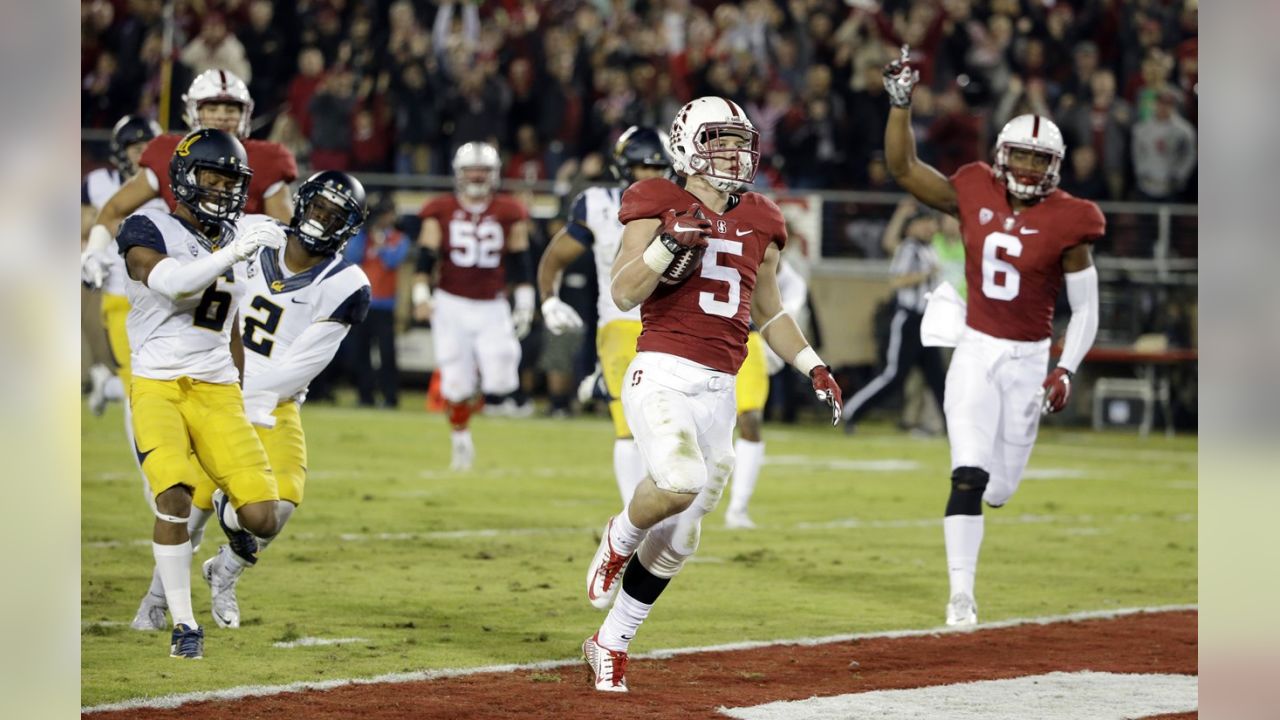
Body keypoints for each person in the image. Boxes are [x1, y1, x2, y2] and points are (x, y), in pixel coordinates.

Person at [581, 97, 844, 693]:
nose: (733, 153)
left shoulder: (763, 216)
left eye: (738, 141)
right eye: (719, 141)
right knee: (677, 480)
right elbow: (623, 292)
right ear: (685, 146)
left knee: (684, 537)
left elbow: (769, 312)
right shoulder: (654, 199)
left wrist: (813, 365)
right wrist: (666, 245)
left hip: (720, 386)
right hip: (663, 370)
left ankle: (611, 643)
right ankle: (619, 537)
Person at [882, 46, 1103, 626]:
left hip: (1029, 360)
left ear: (1053, 167)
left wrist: (1065, 368)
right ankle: (961, 595)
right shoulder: (974, 186)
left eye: (1038, 162)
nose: (1028, 172)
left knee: (1000, 489)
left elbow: (1085, 309)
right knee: (968, 473)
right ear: (1003, 157)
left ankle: (981, 523)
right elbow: (905, 170)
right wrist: (900, 105)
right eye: (1021, 159)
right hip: (976, 347)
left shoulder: (1072, 221)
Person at [128, 172, 371, 632]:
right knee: (193, 509)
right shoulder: (252, 233)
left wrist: (251, 398)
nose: (321, 220)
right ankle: (156, 604)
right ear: (301, 204)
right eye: (318, 208)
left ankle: (224, 571)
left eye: (334, 216)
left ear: (349, 227)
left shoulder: (346, 283)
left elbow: (305, 364)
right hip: (213, 387)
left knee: (274, 513)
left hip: (273, 401)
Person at [116, 128, 287, 658]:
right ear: (184, 179)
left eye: (230, 182)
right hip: (158, 385)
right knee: (172, 498)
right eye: (211, 179)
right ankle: (184, 625)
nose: (220, 191)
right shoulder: (147, 225)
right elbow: (172, 283)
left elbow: (228, 324)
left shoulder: (237, 232)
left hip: (217, 388)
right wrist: (234, 250)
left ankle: (218, 542)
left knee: (263, 516)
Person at [537, 126, 673, 504]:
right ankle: (633, 523)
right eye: (641, 167)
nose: (649, 176)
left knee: (673, 431)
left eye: (656, 167)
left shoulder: (687, 202)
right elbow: (556, 256)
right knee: (627, 428)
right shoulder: (597, 203)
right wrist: (548, 299)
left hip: (674, 328)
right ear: (622, 168)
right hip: (621, 324)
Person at [411, 141, 534, 471]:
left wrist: (525, 302)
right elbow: (425, 256)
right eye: (471, 170)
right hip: (450, 302)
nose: (477, 176)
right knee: (455, 383)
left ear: (494, 175)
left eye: (483, 170)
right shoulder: (440, 208)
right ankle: (461, 439)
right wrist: (420, 296)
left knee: (503, 367)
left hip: (492, 303)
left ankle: (493, 392)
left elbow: (520, 260)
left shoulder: (510, 210)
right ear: (459, 174)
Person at [81, 115, 165, 417]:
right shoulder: (98, 184)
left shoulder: (169, 186)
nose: (141, 152)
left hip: (164, 294)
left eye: (147, 145)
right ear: (120, 150)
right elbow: (82, 228)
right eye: (134, 147)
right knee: (135, 382)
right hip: (119, 292)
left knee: (162, 375)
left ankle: (107, 385)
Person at [842, 203, 947, 434]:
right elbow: (896, 281)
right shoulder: (909, 248)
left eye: (931, 222)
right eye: (924, 223)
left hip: (927, 322)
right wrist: (924, 275)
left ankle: (953, 428)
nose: (929, 227)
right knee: (893, 376)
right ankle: (851, 411)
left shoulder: (930, 248)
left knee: (938, 378)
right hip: (908, 320)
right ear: (914, 226)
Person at [724, 254, 809, 528]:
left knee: (750, 420)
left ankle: (738, 508)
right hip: (711, 338)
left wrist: (771, 353)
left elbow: (782, 321)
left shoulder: (793, 283)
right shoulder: (734, 254)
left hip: (751, 341)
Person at [344, 194, 408, 408]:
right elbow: (352, 256)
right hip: (363, 302)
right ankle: (365, 397)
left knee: (387, 354)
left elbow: (392, 261)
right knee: (360, 353)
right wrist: (365, 235)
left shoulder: (399, 238)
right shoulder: (363, 236)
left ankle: (391, 397)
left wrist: (381, 242)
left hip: (385, 305)